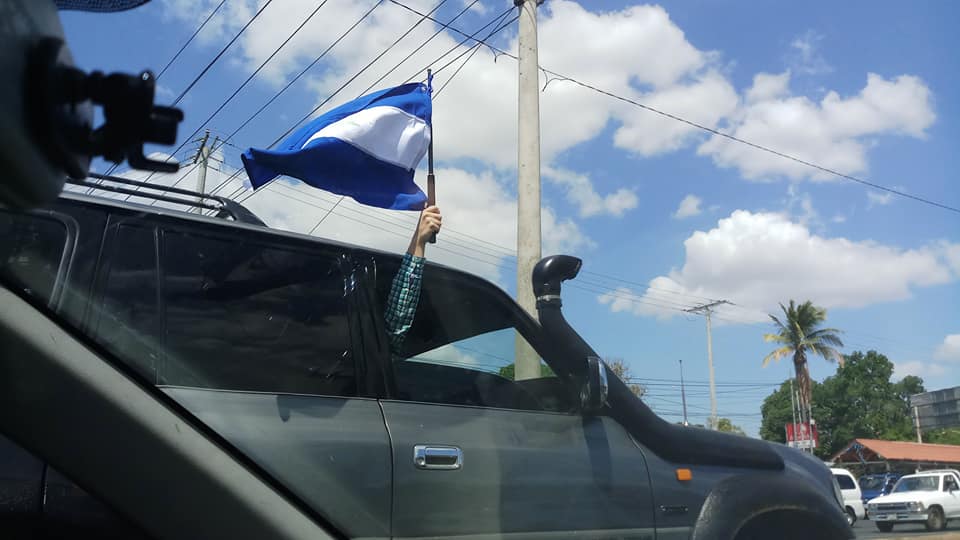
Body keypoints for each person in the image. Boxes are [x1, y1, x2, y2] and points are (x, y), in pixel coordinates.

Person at [384, 205, 441, 355]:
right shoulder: (370, 355)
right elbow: (395, 326)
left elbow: (395, 324)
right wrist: (419, 241)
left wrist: (419, 238)